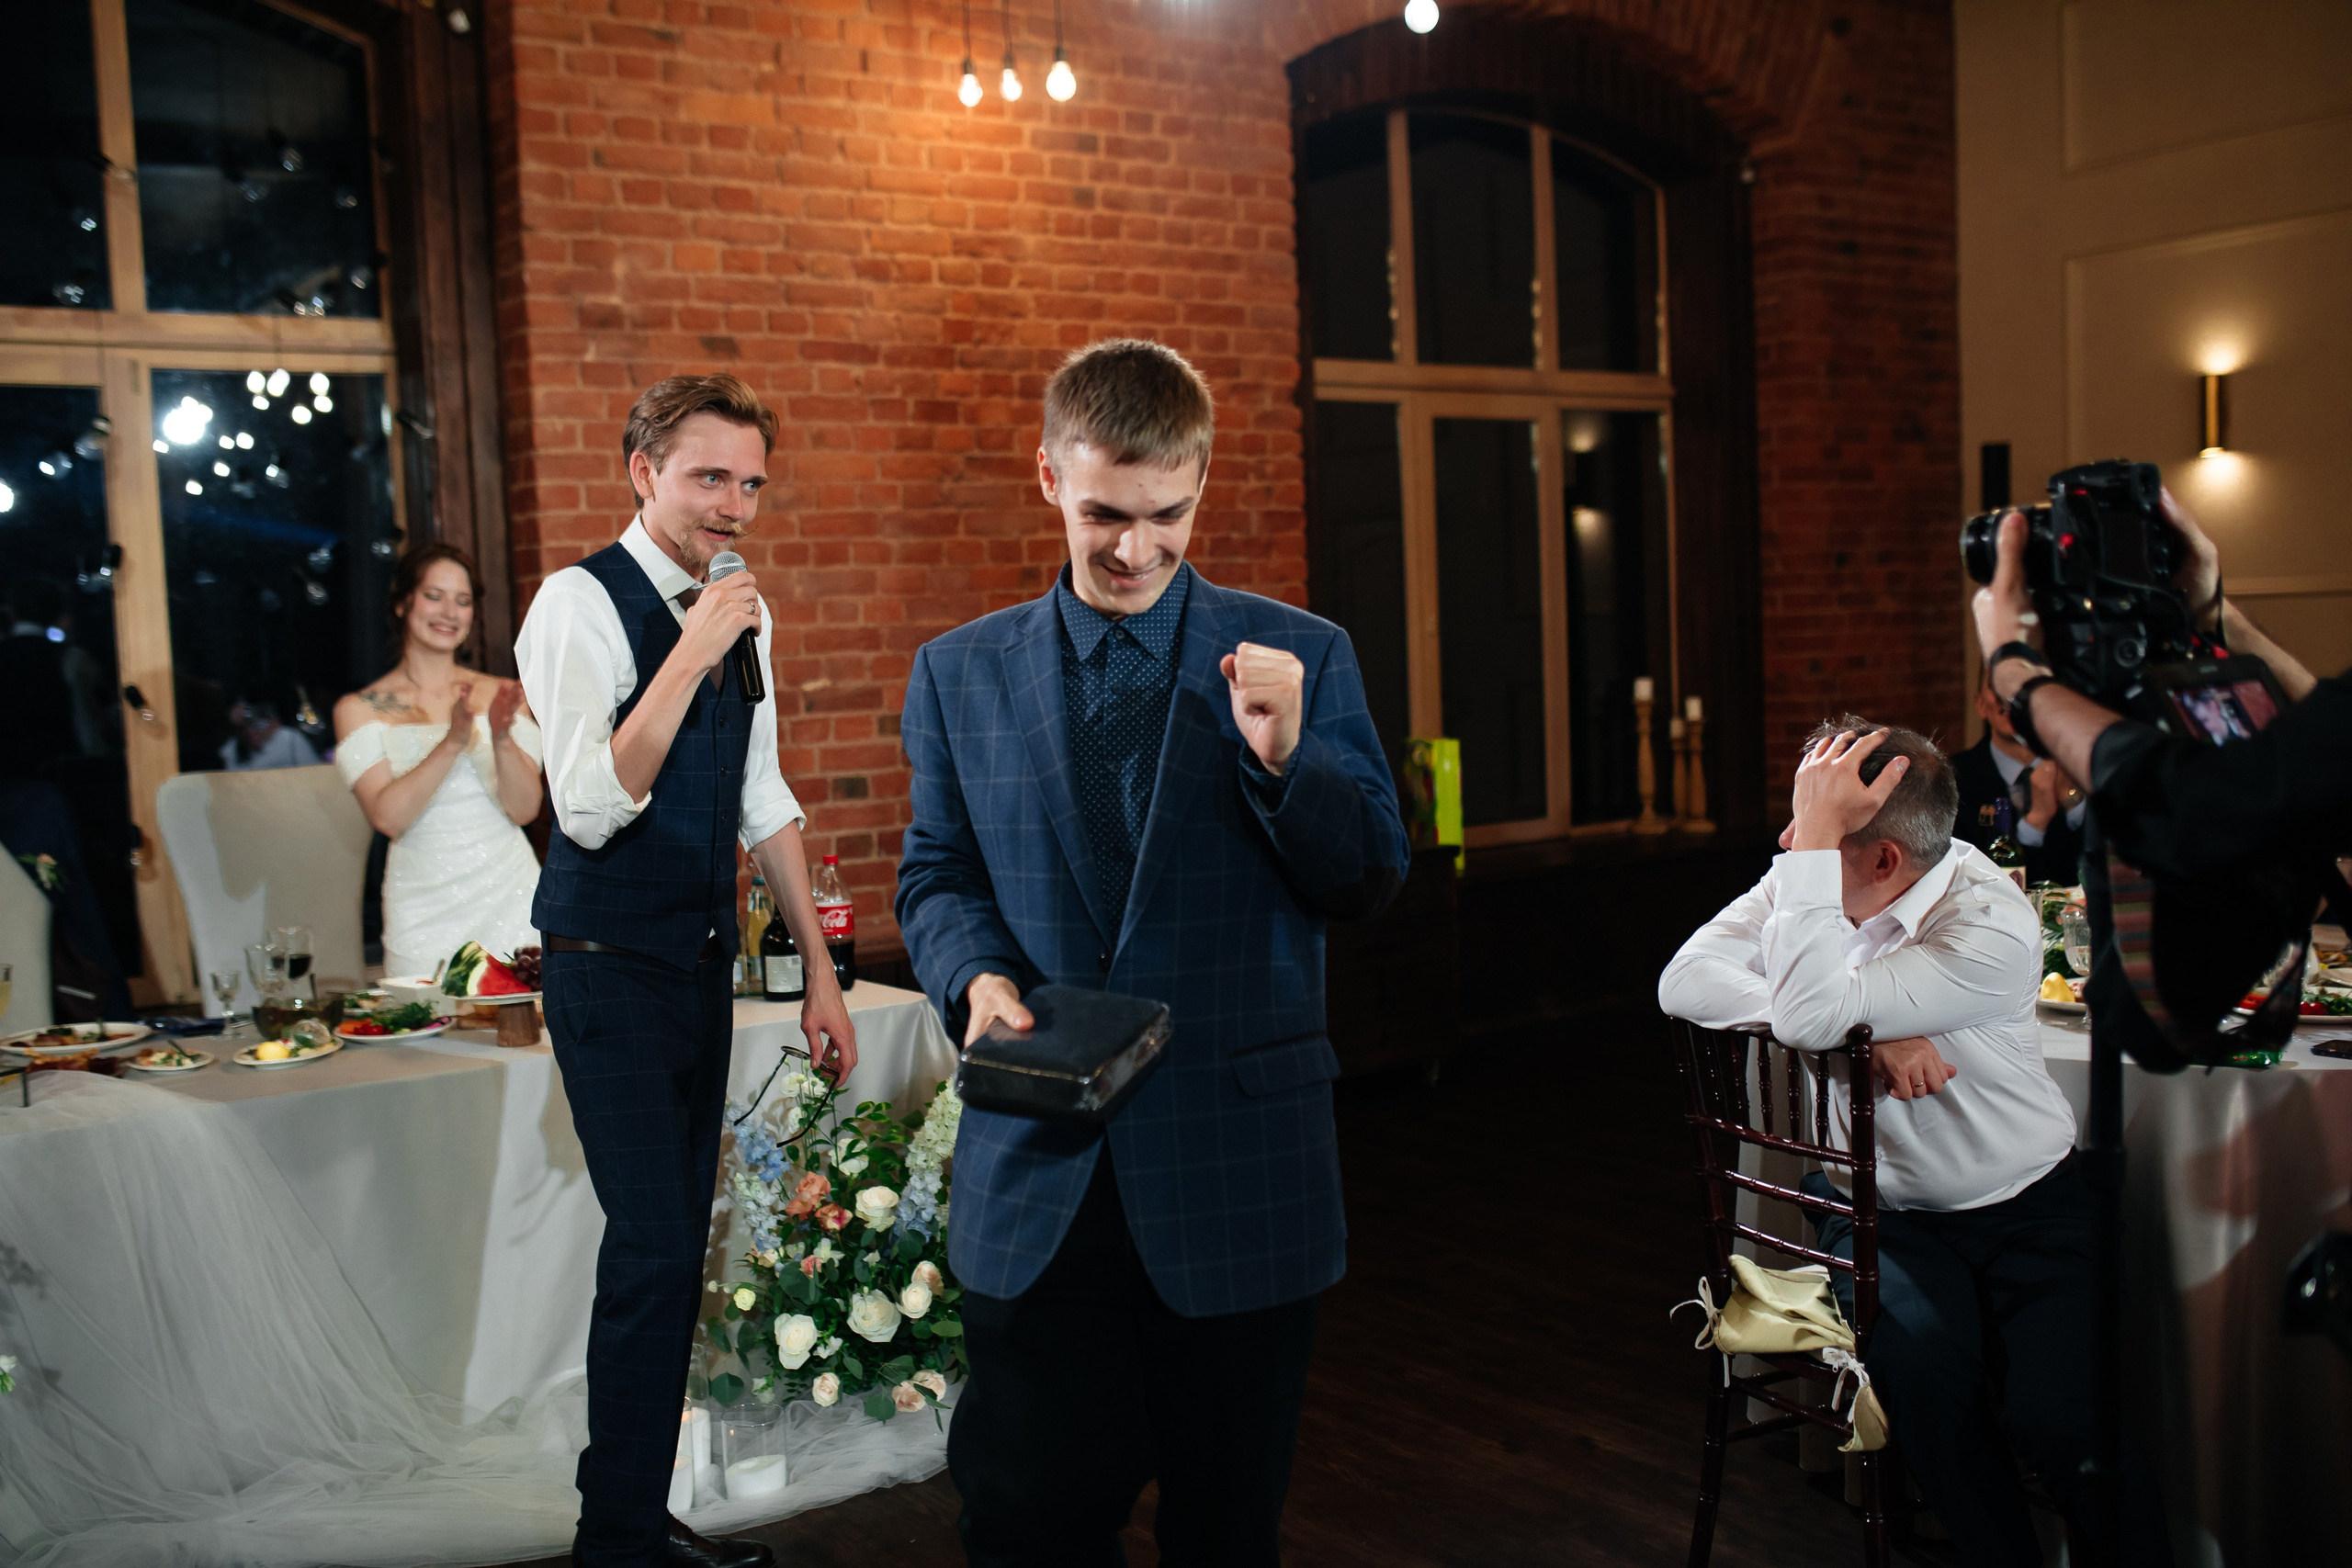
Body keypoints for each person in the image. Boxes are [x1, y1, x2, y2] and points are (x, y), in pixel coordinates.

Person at [895, 339, 1410, 1567]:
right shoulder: (957, 671)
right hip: (1040, 1173)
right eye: (1103, 514)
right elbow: (936, 871)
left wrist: (1290, 759)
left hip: (1242, 1174)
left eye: (1166, 514)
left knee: (1225, 1538)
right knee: (1024, 1528)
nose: (1134, 549)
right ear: (1047, 478)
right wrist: (974, 971)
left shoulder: (1304, 653)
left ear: (1202, 482)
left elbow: (1370, 876)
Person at [1658, 716, 2174, 1568]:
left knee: (2064, 1419)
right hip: (1880, 1214)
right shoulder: (1814, 876)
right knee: (1930, 1388)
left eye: (1813, 830)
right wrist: (1869, 1033)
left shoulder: (1991, 924)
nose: (1789, 845)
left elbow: (1814, 1008)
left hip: (2030, 1207)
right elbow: (1685, 976)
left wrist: (1836, 1016)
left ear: (1884, 860)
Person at [515, 373, 857, 1568]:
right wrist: (692, 646)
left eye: (753, 482)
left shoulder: (743, 610)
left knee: (677, 1251)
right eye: (711, 475)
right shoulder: (579, 604)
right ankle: (614, 1539)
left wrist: (818, 967)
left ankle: (633, 1519)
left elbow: (762, 794)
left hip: (700, 960)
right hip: (605, 960)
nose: (736, 505)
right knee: (653, 1245)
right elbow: (592, 804)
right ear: (642, 471)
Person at [333, 544, 545, 980]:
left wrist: (501, 737)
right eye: (434, 596)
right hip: (422, 903)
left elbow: (524, 810)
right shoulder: (360, 708)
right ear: (401, 602)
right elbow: (388, 817)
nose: (449, 611)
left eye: (463, 601)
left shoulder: (503, 694)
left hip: (509, 893)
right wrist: (453, 741)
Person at [1953, 667, 2084, 886]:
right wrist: (2034, 824)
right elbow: (1964, 879)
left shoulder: (2081, 769)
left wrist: (2074, 804)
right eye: (1998, 686)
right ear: (1981, 705)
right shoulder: (1953, 778)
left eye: (2023, 685)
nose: (2010, 697)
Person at [220, 696, 323, 771]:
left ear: (274, 724)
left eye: (257, 726)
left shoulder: (291, 739)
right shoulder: (231, 748)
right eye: (242, 727)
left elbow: (314, 771)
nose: (250, 731)